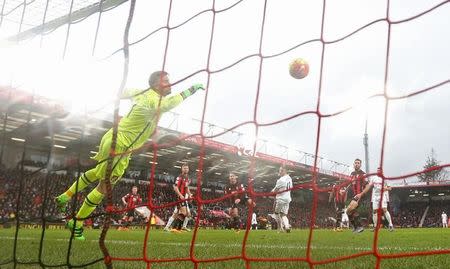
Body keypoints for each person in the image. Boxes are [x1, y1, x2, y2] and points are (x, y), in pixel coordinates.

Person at [54, 71, 204, 240]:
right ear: (156, 85)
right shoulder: (154, 101)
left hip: (113, 138)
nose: (170, 84)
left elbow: (121, 92)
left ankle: (64, 197)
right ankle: (77, 222)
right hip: (121, 145)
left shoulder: (141, 93)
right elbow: (172, 102)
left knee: (98, 172)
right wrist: (192, 89)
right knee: (104, 186)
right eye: (166, 81)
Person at [345, 158, 367, 233]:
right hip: (354, 195)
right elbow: (350, 184)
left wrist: (361, 194)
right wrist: (344, 190)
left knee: (352, 209)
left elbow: (367, 186)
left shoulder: (363, 174)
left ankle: (360, 226)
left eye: (358, 163)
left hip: (360, 195)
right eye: (355, 163)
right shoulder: (352, 174)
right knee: (348, 211)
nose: (356, 164)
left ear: (360, 165)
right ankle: (355, 227)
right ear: (353, 164)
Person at [170, 163, 193, 233]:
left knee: (187, 214)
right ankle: (174, 228)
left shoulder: (187, 178)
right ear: (182, 169)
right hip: (179, 197)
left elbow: (186, 188)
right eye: (184, 168)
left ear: (188, 169)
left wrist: (190, 195)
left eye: (187, 168)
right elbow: (175, 187)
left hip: (183, 197)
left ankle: (179, 228)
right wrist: (180, 195)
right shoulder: (179, 177)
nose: (186, 169)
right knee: (183, 212)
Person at [271, 165, 293, 233]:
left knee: (276, 213)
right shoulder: (289, 178)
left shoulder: (280, 180)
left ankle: (280, 228)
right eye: (279, 170)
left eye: (281, 170)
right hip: (288, 198)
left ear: (285, 171)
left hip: (281, 199)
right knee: (283, 214)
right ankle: (287, 226)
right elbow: (291, 187)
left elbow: (275, 191)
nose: (279, 172)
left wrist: (271, 192)